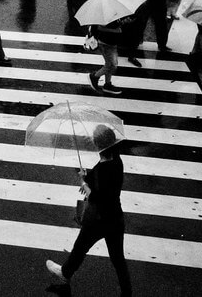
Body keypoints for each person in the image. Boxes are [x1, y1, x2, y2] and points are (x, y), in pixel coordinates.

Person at [46, 125, 131, 297]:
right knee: (118, 259)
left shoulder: (105, 166)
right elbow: (103, 183)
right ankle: (127, 293)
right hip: (115, 218)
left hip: (99, 219)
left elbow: (97, 197)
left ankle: (65, 273)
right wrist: (87, 177)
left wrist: (84, 184)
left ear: (100, 145)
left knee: (80, 247)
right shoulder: (115, 160)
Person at [87, 15, 126, 95]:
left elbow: (116, 24)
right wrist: (117, 30)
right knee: (112, 65)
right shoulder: (104, 15)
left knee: (110, 64)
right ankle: (94, 77)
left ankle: (107, 84)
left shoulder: (115, 13)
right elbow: (99, 28)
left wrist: (122, 22)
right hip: (105, 44)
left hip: (113, 43)